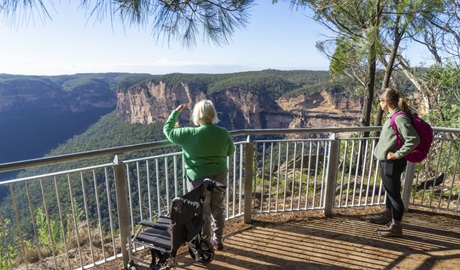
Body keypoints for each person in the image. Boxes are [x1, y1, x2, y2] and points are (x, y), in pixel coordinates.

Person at [163, 99, 235, 250]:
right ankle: (219, 239)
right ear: (213, 114)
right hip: (219, 175)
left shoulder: (189, 133)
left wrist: (175, 112)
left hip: (198, 178)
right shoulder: (223, 132)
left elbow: (167, 130)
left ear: (197, 115)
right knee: (218, 208)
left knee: (202, 211)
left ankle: (205, 241)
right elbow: (230, 151)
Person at [370, 88, 420, 237]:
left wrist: (398, 154)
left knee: (394, 194)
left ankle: (396, 226)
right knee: (390, 190)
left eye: (380, 101)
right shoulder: (392, 116)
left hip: (392, 162)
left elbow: (413, 139)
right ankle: (388, 215)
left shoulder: (399, 118)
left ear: (385, 102)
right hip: (387, 161)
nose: (379, 104)